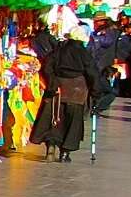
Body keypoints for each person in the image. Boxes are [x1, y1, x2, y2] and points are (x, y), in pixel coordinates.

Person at [31, 27, 112, 161]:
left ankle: (51, 145)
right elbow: (92, 74)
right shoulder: (84, 53)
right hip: (77, 92)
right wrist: (96, 93)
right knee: (72, 123)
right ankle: (65, 152)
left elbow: (47, 66)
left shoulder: (58, 50)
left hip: (57, 90)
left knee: (54, 118)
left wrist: (52, 83)